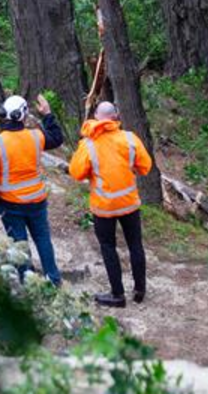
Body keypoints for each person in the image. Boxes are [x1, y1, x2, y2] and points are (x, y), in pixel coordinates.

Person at [68, 101, 153, 308]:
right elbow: (145, 167)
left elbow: (76, 173)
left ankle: (117, 295)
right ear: (116, 116)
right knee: (135, 245)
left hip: (104, 208)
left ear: (96, 116)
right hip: (129, 204)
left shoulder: (88, 144)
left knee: (108, 248)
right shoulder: (130, 139)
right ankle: (140, 290)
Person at [0, 94, 64, 285]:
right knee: (43, 240)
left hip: (10, 204)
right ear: (23, 115)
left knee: (19, 245)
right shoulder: (36, 136)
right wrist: (47, 114)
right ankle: (53, 279)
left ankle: (28, 284)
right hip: (37, 201)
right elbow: (57, 138)